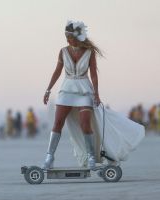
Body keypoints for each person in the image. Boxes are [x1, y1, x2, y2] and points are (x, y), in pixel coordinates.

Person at [42, 20, 145, 170]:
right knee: (58, 123)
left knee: (85, 124)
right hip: (67, 89)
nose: (67, 40)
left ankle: (91, 156)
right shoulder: (63, 51)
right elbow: (57, 71)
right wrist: (48, 90)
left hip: (84, 90)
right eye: (66, 37)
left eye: (69, 37)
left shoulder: (89, 52)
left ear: (77, 37)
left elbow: (94, 75)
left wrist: (96, 94)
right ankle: (49, 157)